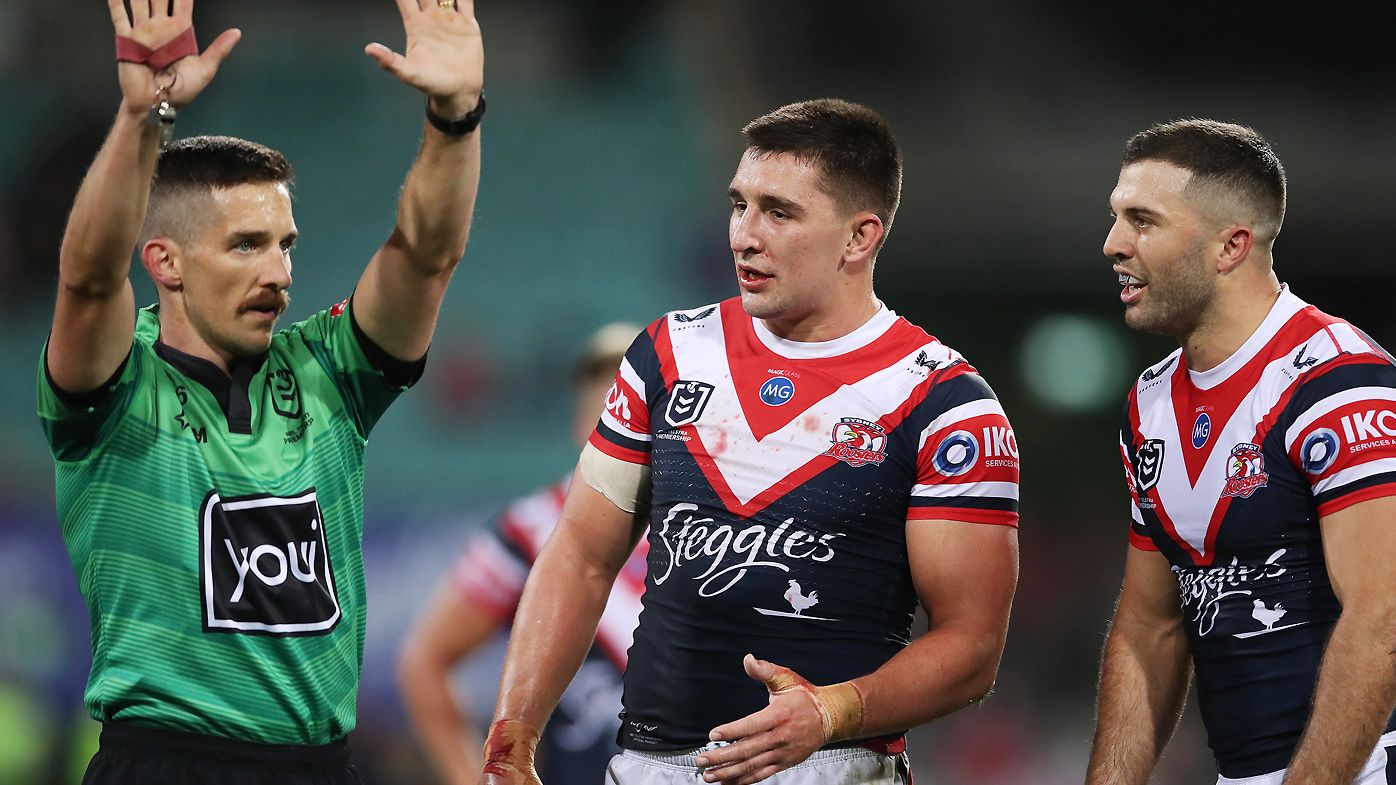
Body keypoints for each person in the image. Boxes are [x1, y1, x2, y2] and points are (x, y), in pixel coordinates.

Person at [478, 98, 1021, 785]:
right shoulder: (667, 353)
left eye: (779, 211)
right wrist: (513, 739)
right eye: (739, 204)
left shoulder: (946, 405)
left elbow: (973, 647)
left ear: (860, 237)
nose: (743, 234)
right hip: (649, 767)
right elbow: (581, 555)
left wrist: (832, 711)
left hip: (829, 766)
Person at [36, 0, 484, 782]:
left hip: (321, 765)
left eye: (285, 244)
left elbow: (424, 255)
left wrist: (454, 116)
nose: (278, 272)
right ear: (166, 262)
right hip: (168, 763)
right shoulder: (114, 387)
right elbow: (87, 277)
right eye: (246, 245)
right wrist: (146, 118)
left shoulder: (331, 374)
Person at [1087, 119, 1396, 785]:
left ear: (1231, 245)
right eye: (1116, 217)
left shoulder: (1337, 382)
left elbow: (1383, 620)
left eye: (1142, 220)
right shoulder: (1149, 405)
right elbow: (1148, 630)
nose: (1113, 244)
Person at [397, 323, 649, 785]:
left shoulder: (711, 529)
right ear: (579, 425)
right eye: (604, 397)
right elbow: (426, 660)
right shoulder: (531, 530)